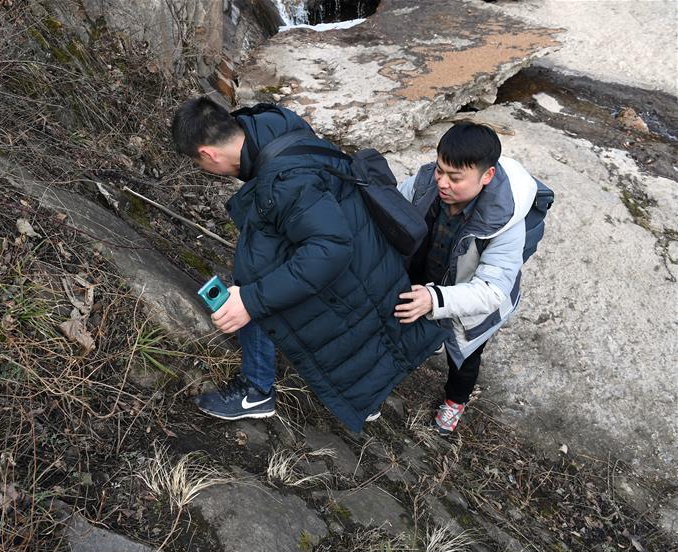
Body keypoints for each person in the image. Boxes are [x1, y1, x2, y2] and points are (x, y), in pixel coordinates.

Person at [171, 96, 446, 432]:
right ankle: (368, 397)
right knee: (369, 328)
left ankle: (257, 391)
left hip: (348, 262)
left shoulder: (284, 181)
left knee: (256, 287)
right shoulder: (275, 122)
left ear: (208, 155)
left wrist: (251, 301)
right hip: (368, 249)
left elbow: (329, 250)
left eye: (201, 165)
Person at [395, 121, 537, 435]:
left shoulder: (506, 222)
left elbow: (492, 290)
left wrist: (435, 300)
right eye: (440, 170)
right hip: (427, 277)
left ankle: (455, 402)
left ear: (486, 176)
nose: (442, 183)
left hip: (470, 302)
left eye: (455, 178)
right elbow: (392, 208)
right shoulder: (424, 183)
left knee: (464, 358)